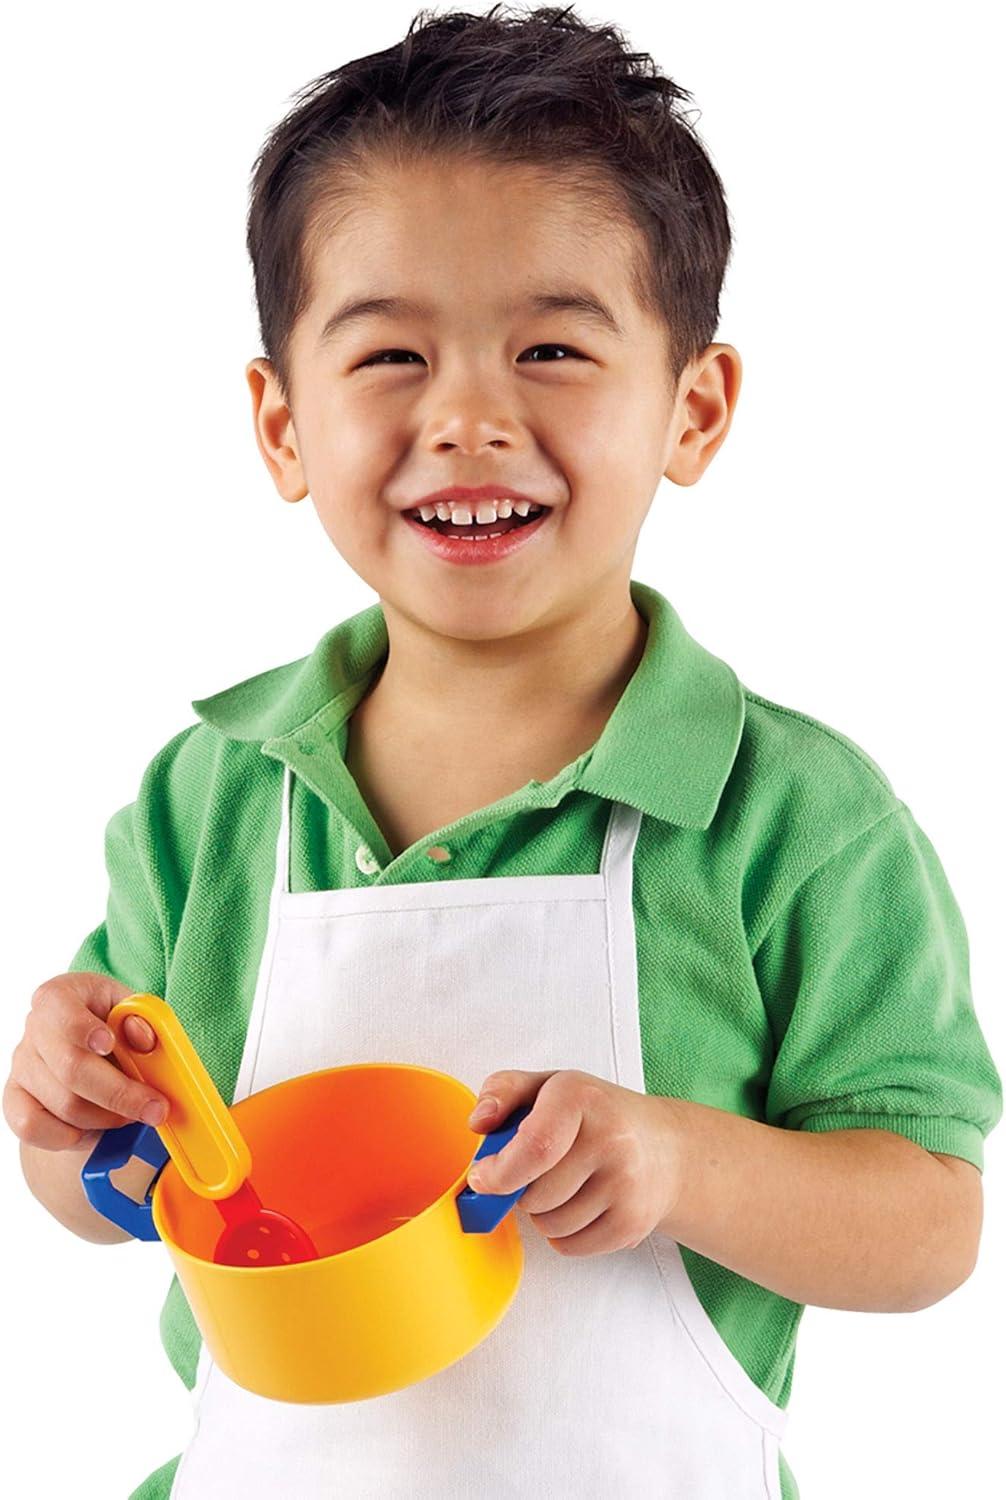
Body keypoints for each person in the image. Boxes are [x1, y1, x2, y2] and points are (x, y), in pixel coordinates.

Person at [6, 6, 1002, 1497]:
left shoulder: (796, 816)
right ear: (281, 426)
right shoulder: (206, 798)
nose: (468, 417)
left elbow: (929, 1225)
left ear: (694, 408)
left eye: (550, 347)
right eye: (390, 353)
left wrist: (684, 1164)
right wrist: (67, 1122)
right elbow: (121, 1191)